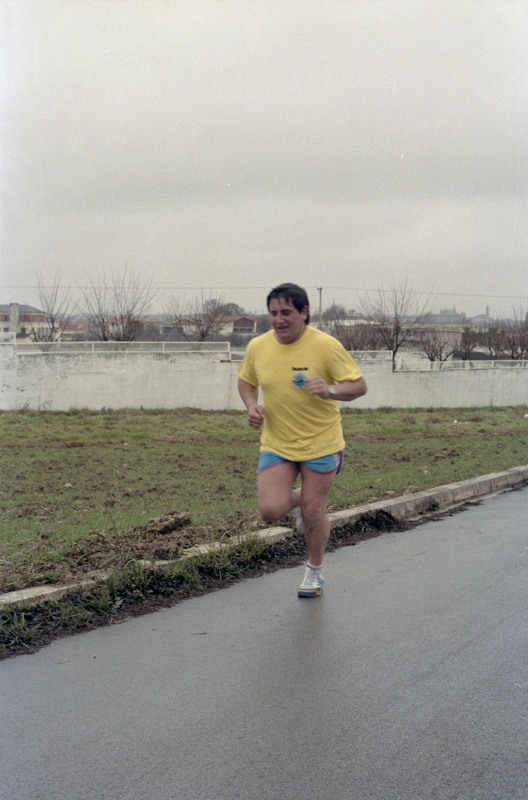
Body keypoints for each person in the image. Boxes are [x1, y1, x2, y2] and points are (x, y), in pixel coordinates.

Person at [237, 282, 367, 597]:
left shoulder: (326, 345)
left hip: (321, 443)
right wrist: (252, 406)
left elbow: (359, 386)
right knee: (270, 509)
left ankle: (314, 570)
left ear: (304, 312)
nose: (279, 320)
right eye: (273, 313)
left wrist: (330, 390)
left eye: (286, 312)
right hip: (278, 442)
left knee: (313, 511)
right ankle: (303, 497)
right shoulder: (258, 346)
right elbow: (245, 382)